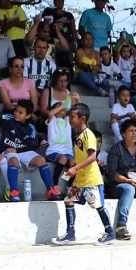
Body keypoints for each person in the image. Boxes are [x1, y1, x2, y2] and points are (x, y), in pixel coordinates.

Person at [0, 99, 61, 202]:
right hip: (8, 151)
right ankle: (13, 191)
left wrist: (17, 149)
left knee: (41, 160)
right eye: (16, 110)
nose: (16, 114)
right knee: (13, 161)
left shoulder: (31, 127)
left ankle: (51, 190)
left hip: (22, 151)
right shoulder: (8, 120)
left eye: (20, 112)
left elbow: (33, 146)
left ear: (28, 116)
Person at [52, 103, 116, 246]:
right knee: (68, 201)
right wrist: (73, 170)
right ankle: (70, 234)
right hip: (79, 180)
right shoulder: (78, 135)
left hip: (90, 179)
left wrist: (74, 169)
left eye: (72, 117)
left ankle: (110, 233)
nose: (69, 119)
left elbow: (92, 157)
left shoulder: (88, 135)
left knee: (98, 206)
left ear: (82, 119)